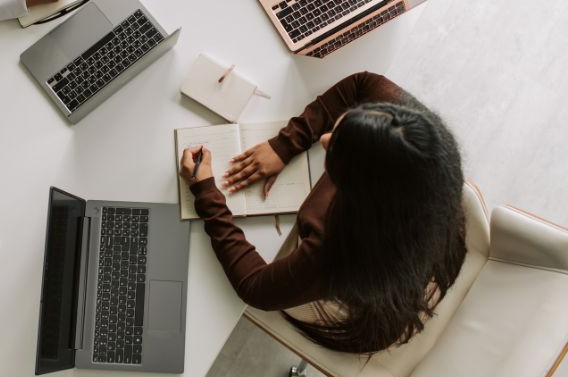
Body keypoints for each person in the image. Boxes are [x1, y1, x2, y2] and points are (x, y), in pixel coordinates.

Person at [179, 72, 466, 353]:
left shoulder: (340, 250)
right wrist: (286, 144)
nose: (325, 139)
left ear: (358, 192)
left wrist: (205, 192)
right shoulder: (409, 134)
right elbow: (361, 84)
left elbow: (255, 288)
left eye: (335, 147)